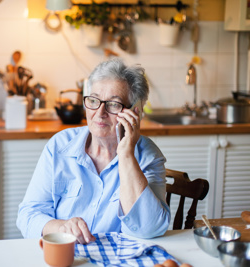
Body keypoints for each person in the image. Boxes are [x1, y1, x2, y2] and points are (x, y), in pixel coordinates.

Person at [16, 58, 170, 244]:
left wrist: (126, 154)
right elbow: (28, 215)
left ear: (135, 112)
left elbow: (149, 229)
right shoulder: (59, 145)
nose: (100, 112)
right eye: (94, 100)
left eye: (113, 104)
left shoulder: (148, 156)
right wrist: (61, 227)